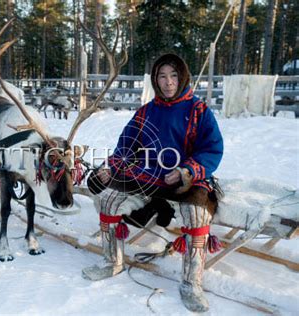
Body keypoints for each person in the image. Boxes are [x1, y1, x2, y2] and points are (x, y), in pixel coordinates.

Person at [85, 53, 223, 313]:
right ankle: (111, 261)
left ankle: (191, 283)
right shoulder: (147, 111)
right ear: (155, 80)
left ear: (182, 78)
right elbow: (126, 145)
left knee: (196, 214)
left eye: (173, 76)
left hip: (186, 179)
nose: (168, 82)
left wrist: (187, 171)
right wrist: (111, 166)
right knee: (109, 199)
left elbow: (212, 149)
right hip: (148, 174)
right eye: (162, 76)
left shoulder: (199, 111)